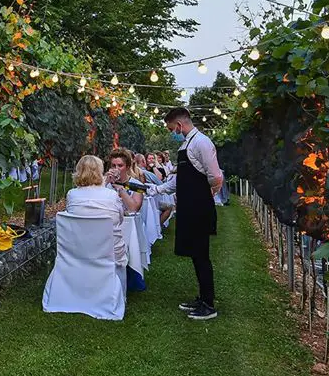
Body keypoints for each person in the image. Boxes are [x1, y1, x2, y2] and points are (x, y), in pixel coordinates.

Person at [151, 107, 223, 320]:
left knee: (202, 255)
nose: (172, 132)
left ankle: (209, 305)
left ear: (180, 125)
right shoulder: (187, 144)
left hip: (198, 207)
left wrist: (203, 194)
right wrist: (156, 189)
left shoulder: (202, 142)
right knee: (195, 253)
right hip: (188, 206)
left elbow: (216, 177)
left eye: (171, 128)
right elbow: (178, 179)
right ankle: (202, 298)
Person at [66, 155, 138, 293]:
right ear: (100, 171)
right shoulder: (111, 195)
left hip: (78, 250)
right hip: (108, 252)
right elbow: (121, 218)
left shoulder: (72, 195)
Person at [103, 148, 144, 213]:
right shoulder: (105, 182)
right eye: (113, 165)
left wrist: (120, 190)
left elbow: (134, 209)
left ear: (127, 167)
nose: (116, 169)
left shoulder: (138, 185)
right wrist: (105, 182)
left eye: (120, 165)